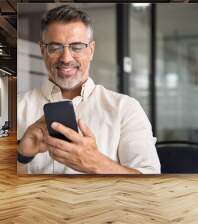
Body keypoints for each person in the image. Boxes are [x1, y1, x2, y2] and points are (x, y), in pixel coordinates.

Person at [17, 5, 160, 174]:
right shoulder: (17, 106)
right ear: (43, 50)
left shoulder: (126, 108)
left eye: (76, 47)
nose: (66, 58)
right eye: (55, 47)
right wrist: (22, 155)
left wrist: (96, 163)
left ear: (91, 50)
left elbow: (149, 181)